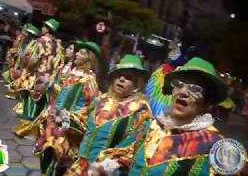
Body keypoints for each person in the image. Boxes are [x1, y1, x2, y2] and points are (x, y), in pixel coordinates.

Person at [91, 57, 247, 175]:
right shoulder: (151, 126)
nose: (183, 92)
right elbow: (123, 155)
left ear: (208, 102)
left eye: (194, 88)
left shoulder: (216, 146)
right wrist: (104, 167)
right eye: (179, 85)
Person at [65, 54, 152, 175]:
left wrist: (108, 165)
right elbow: (83, 124)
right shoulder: (102, 100)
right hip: (79, 167)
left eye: (128, 77)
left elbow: (135, 146)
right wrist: (66, 119)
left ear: (137, 86)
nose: (121, 79)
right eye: (118, 75)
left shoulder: (140, 111)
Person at [32, 41, 102, 175]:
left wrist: (66, 118)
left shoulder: (89, 81)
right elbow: (60, 94)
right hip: (53, 122)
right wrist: (48, 86)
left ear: (89, 59)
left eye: (81, 52)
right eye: (78, 51)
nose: (76, 53)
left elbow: (90, 110)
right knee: (47, 157)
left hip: (68, 130)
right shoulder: (73, 74)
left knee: (58, 162)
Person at [10, 18, 64, 138]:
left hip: (36, 76)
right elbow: (60, 63)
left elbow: (29, 59)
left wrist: (26, 68)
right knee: (42, 105)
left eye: (44, 26)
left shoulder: (39, 41)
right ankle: (38, 131)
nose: (42, 28)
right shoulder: (59, 45)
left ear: (47, 29)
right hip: (50, 79)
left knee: (30, 104)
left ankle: (25, 130)